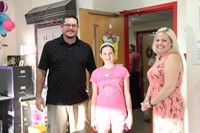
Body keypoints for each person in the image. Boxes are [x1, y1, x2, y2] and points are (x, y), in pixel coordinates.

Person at [35, 16, 96, 133]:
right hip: (55, 101)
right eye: (67, 25)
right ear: (62, 27)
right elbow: (41, 71)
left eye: (74, 25)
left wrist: (92, 89)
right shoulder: (49, 46)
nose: (70, 28)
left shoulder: (86, 48)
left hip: (79, 100)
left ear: (78, 28)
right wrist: (38, 96)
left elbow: (93, 71)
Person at [141, 27, 185, 133]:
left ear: (171, 42)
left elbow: (169, 87)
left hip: (171, 104)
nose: (160, 43)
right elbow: (153, 82)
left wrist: (151, 103)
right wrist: (147, 99)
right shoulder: (159, 57)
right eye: (157, 40)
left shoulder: (173, 57)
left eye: (164, 40)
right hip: (158, 104)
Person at [90, 42, 133, 133]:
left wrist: (130, 115)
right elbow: (94, 96)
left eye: (110, 53)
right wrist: (93, 117)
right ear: (101, 55)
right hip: (101, 111)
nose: (108, 56)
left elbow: (127, 94)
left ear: (114, 53)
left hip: (119, 111)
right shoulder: (95, 73)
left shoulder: (123, 71)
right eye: (105, 54)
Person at [129, 44, 142, 109]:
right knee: (137, 88)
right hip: (137, 72)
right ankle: (139, 103)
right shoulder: (138, 54)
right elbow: (140, 64)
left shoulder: (131, 55)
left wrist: (129, 73)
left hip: (132, 73)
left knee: (132, 89)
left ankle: (134, 104)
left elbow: (131, 65)